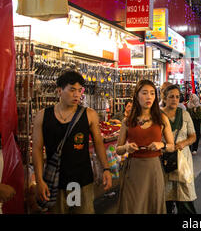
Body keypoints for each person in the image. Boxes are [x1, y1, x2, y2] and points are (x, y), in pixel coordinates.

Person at [32, 70, 112, 214]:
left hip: (81, 180)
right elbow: (37, 149)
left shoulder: (89, 115)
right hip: (56, 181)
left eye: (79, 90)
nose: (77, 94)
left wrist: (105, 169)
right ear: (59, 91)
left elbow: (99, 143)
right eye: (72, 90)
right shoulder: (43, 116)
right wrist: (39, 180)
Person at [116, 80, 175, 214]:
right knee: (132, 206)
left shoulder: (161, 118)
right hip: (133, 169)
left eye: (152, 93)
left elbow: (172, 146)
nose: (149, 97)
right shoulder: (128, 120)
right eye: (145, 93)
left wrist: (162, 145)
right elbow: (118, 149)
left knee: (153, 205)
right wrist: (126, 148)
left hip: (153, 169)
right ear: (137, 96)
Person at [161, 85, 197, 214]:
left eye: (177, 97)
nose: (175, 100)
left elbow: (193, 136)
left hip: (182, 159)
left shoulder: (185, 114)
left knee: (184, 195)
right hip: (164, 159)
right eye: (171, 97)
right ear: (164, 99)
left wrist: (184, 143)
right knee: (165, 196)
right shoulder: (158, 116)